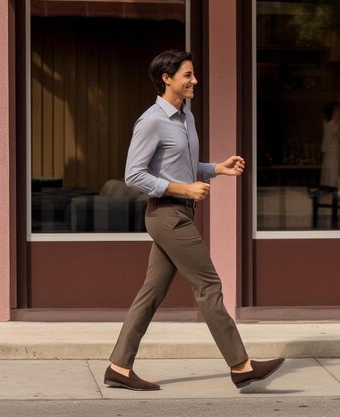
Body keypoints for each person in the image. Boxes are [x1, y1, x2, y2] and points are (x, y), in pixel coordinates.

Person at [103, 50, 285, 391]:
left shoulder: (186, 117)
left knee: (150, 294)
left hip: (178, 211)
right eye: (187, 75)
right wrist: (184, 188)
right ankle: (241, 365)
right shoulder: (151, 121)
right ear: (166, 79)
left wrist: (217, 168)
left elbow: (182, 167)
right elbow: (134, 175)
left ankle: (119, 366)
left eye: (193, 74)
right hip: (167, 214)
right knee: (209, 286)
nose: (194, 81)